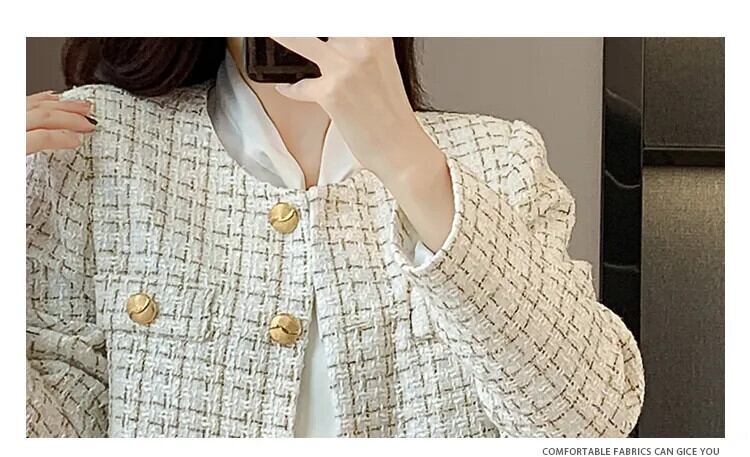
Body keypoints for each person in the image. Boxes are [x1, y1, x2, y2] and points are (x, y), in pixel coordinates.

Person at [25, 37, 645, 438]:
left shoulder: (499, 160)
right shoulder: (100, 145)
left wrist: (409, 160)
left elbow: (592, 422)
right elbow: (57, 427)